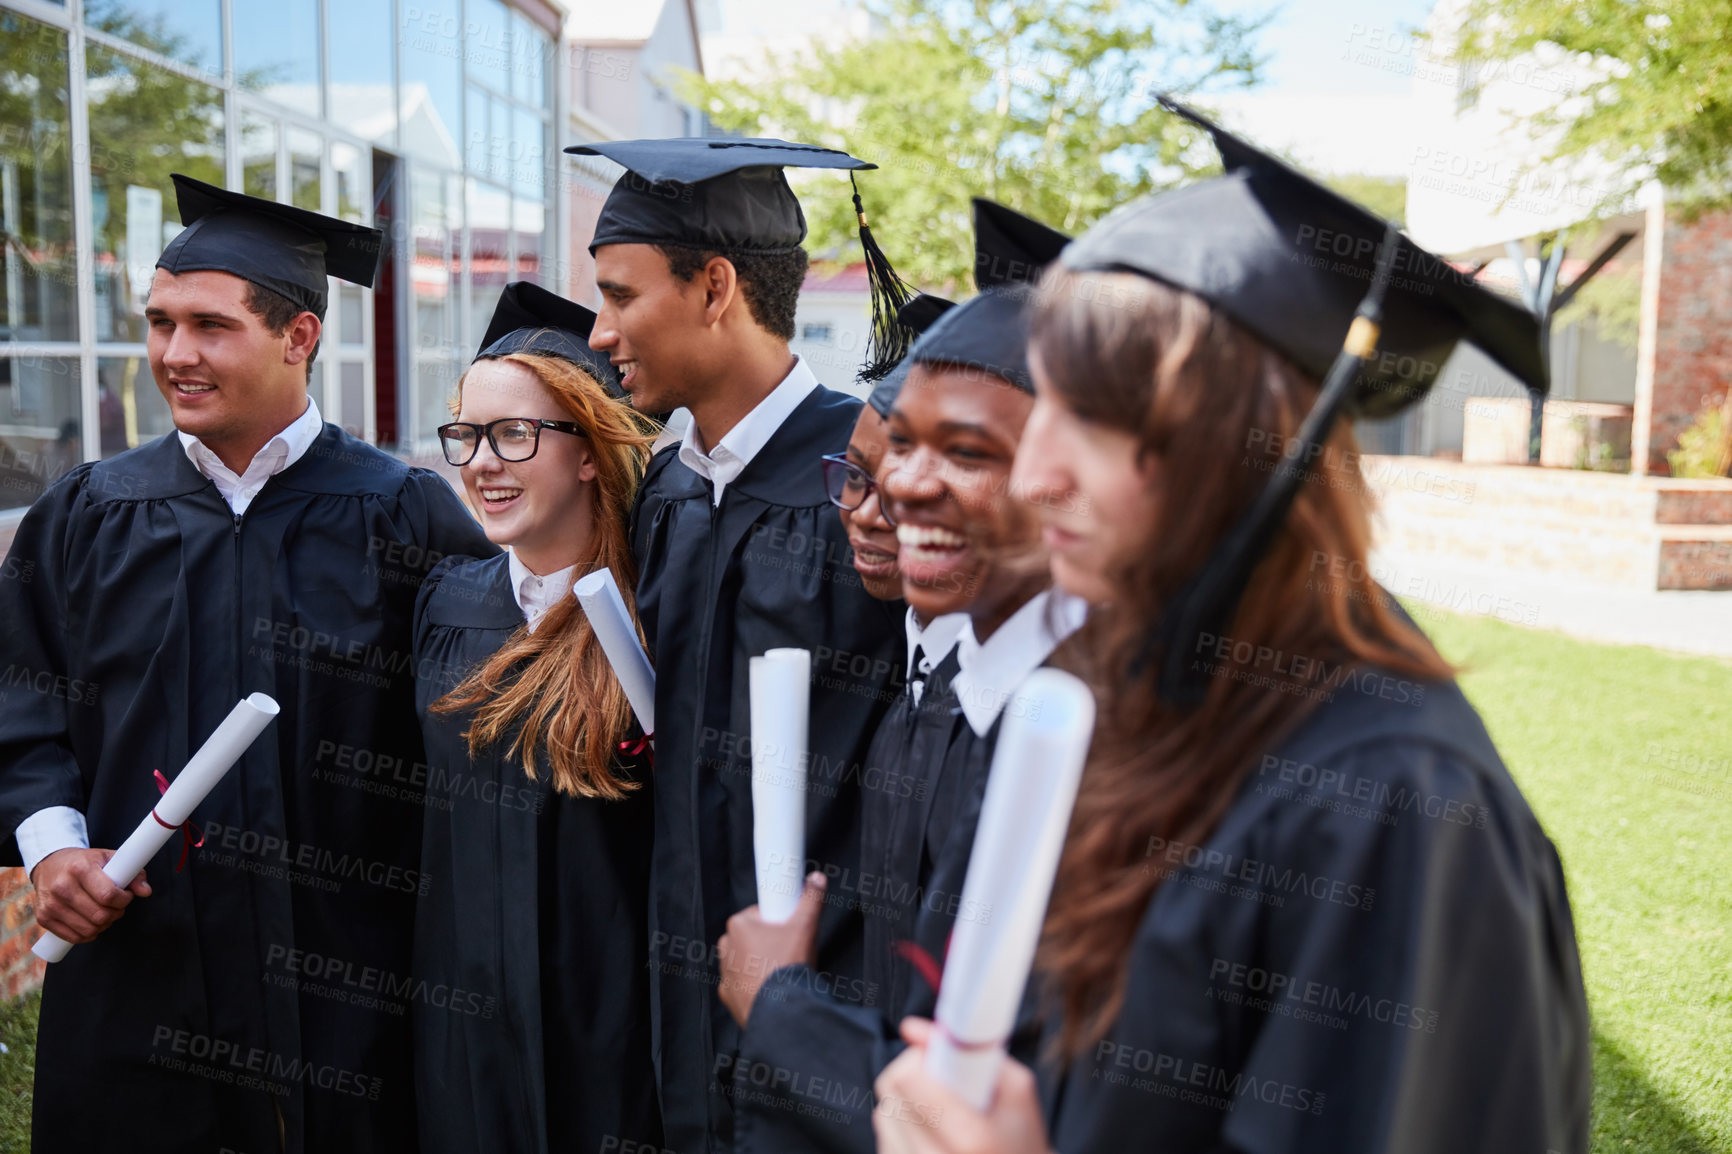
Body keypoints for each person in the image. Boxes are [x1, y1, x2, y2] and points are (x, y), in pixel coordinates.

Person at [872, 101, 1592, 1154]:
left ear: (1246, 455)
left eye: (1095, 420)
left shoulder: (1395, 808)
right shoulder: (1141, 698)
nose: (1034, 473)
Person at [0, 175, 496, 1153]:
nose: (175, 354)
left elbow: (481, 727)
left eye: (211, 326)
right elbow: (23, 700)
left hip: (341, 973)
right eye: (160, 322)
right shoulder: (92, 513)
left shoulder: (404, 515)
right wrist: (56, 848)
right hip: (139, 965)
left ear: (298, 336)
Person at [715, 200, 1083, 1154]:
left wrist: (782, 1007)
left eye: (965, 452)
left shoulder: (1082, 740)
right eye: (884, 456)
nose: (899, 497)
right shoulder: (937, 687)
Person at [566, 136, 909, 1152]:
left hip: (829, 995)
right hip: (680, 984)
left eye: (621, 295)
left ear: (715, 286)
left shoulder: (872, 484)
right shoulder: (671, 490)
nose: (599, 329)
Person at [410, 281, 661, 1154]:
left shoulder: (659, 615)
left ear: (589, 449)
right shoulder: (446, 604)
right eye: (467, 436)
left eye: (514, 434)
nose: (481, 462)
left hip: (618, 1033)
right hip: (466, 1029)